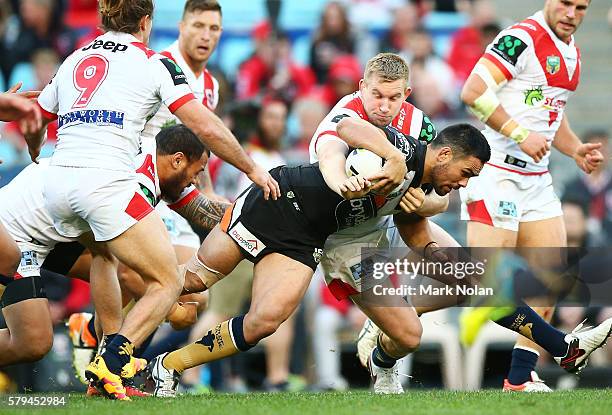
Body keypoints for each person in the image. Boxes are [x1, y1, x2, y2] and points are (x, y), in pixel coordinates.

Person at [23, 0, 277, 400]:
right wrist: (252, 169)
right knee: (170, 283)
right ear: (149, 22)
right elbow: (203, 127)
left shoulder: (75, 57)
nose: (207, 35)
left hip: (57, 181)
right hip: (114, 185)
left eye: (215, 28)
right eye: (200, 25)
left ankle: (99, 344)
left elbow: (35, 118)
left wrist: (36, 152)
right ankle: (112, 361)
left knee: (110, 260)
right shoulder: (158, 63)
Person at [146, 117, 492, 397]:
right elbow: (346, 126)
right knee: (191, 280)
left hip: (316, 239)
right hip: (279, 200)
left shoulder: (424, 185)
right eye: (467, 173)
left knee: (264, 323)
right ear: (445, 155)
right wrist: (394, 156)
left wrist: (439, 258)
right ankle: (116, 344)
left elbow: (412, 228)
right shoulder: (403, 150)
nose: (465, 184)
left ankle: (167, 366)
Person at [0, 125, 224, 376]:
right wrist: (173, 311)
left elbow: (201, 211)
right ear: (177, 160)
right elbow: (127, 273)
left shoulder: (147, 159)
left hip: (50, 227)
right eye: (197, 173)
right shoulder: (135, 181)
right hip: (16, 231)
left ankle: (105, 360)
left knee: (109, 260)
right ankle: (111, 364)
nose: (195, 182)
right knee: (33, 342)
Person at [459, 0, 602, 391]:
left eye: (582, 7)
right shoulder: (521, 38)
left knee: (553, 278)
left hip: (537, 180)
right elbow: (473, 91)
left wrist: (573, 149)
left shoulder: (570, 50)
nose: (572, 13)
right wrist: (521, 134)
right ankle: (564, 347)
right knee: (490, 289)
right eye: (566, 4)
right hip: (496, 173)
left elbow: (552, 110)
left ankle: (519, 379)